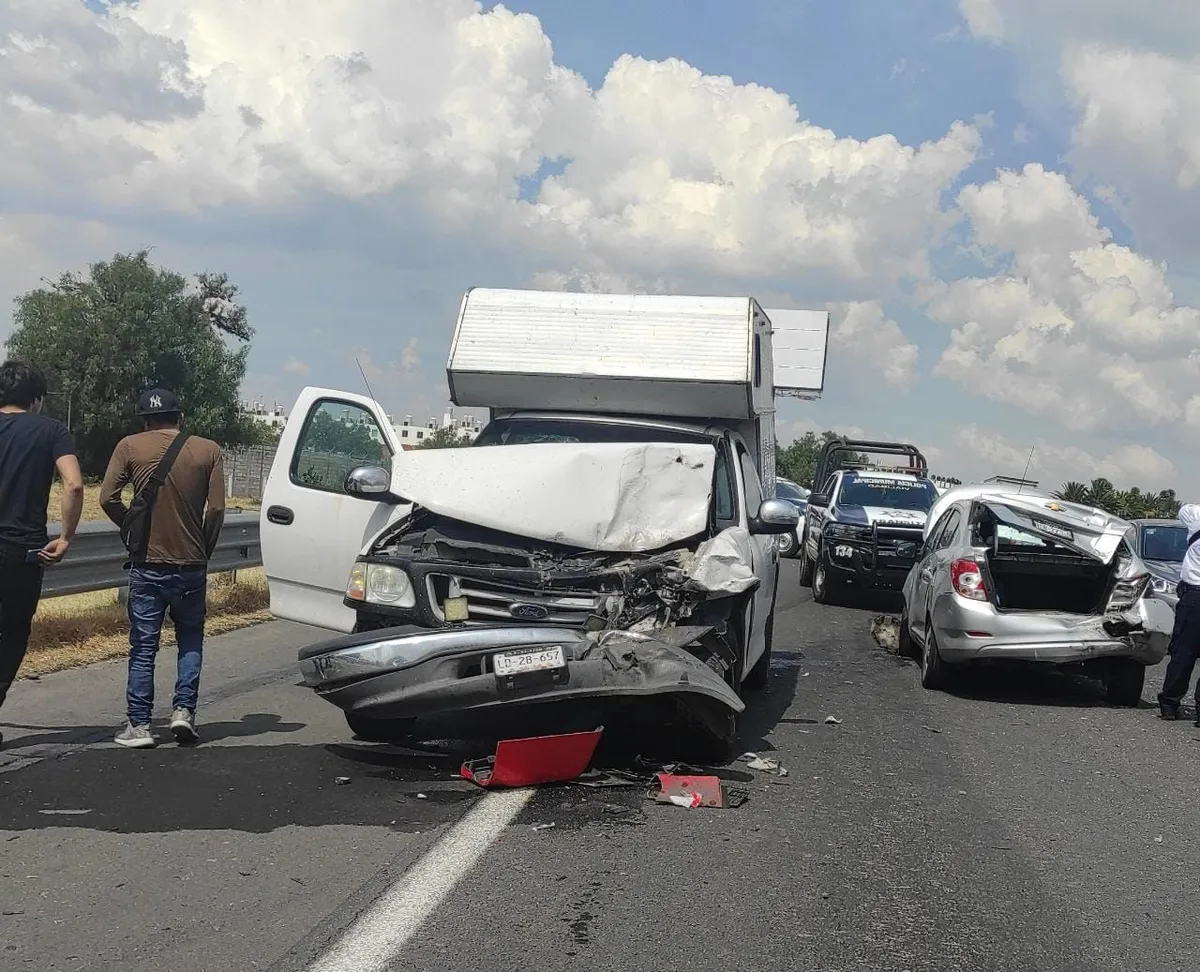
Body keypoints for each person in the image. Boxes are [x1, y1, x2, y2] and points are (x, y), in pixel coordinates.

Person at [100, 389, 225, 748]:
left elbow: (106, 497)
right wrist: (204, 548)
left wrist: (131, 528)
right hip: (191, 564)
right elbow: (216, 509)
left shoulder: (129, 447)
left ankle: (139, 726)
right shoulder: (209, 450)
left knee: (143, 646)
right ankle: (183, 712)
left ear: (145, 420)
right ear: (179, 418)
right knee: (190, 639)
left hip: (147, 565)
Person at [0, 362, 84, 748]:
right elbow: (74, 484)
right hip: (21, 549)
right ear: (35, 400)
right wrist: (65, 536)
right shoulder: (51, 430)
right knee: (12, 634)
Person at [1158, 503, 1200, 723]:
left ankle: (1170, 705)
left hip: (1194, 596)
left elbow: (1184, 509)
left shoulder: (1197, 516)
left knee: (1183, 653)